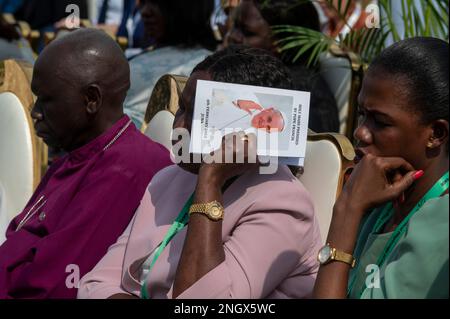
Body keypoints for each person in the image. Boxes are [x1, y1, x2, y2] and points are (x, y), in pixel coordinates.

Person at [78, 46, 322, 299]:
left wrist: (211, 178)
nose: (178, 126)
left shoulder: (283, 201)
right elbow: (94, 284)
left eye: (195, 114)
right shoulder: (169, 178)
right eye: (181, 109)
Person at [0, 28, 172, 299]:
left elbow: (54, 286)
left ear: (91, 99)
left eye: (46, 100)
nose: (34, 112)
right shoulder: (76, 151)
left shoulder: (126, 169)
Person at [313, 37, 449, 299]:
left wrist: (347, 210)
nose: (360, 132)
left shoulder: (442, 222)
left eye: (380, 122)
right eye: (363, 114)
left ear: (436, 134)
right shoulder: (384, 197)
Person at [225, 0, 340, 133]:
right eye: (234, 26)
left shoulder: (300, 97)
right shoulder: (253, 76)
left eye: (247, 32)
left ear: (281, 43)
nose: (232, 36)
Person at [124, 0, 217, 128]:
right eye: (143, 2)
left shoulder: (206, 67)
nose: (145, 12)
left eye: (157, 3)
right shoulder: (144, 55)